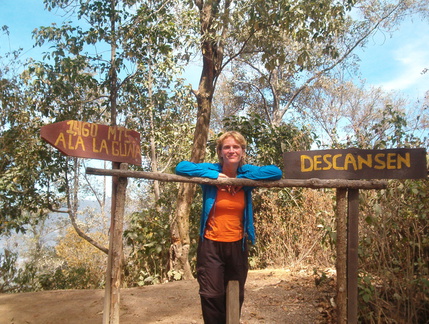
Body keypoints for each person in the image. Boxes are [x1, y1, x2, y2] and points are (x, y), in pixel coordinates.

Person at [175, 131, 282, 324]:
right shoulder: (211, 170)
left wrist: (241, 181)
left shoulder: (246, 172)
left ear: (242, 151)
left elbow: (276, 172)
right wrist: (216, 176)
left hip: (237, 246)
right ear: (220, 152)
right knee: (211, 295)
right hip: (210, 246)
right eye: (227, 147)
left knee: (235, 294)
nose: (231, 150)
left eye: (236, 147)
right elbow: (181, 167)